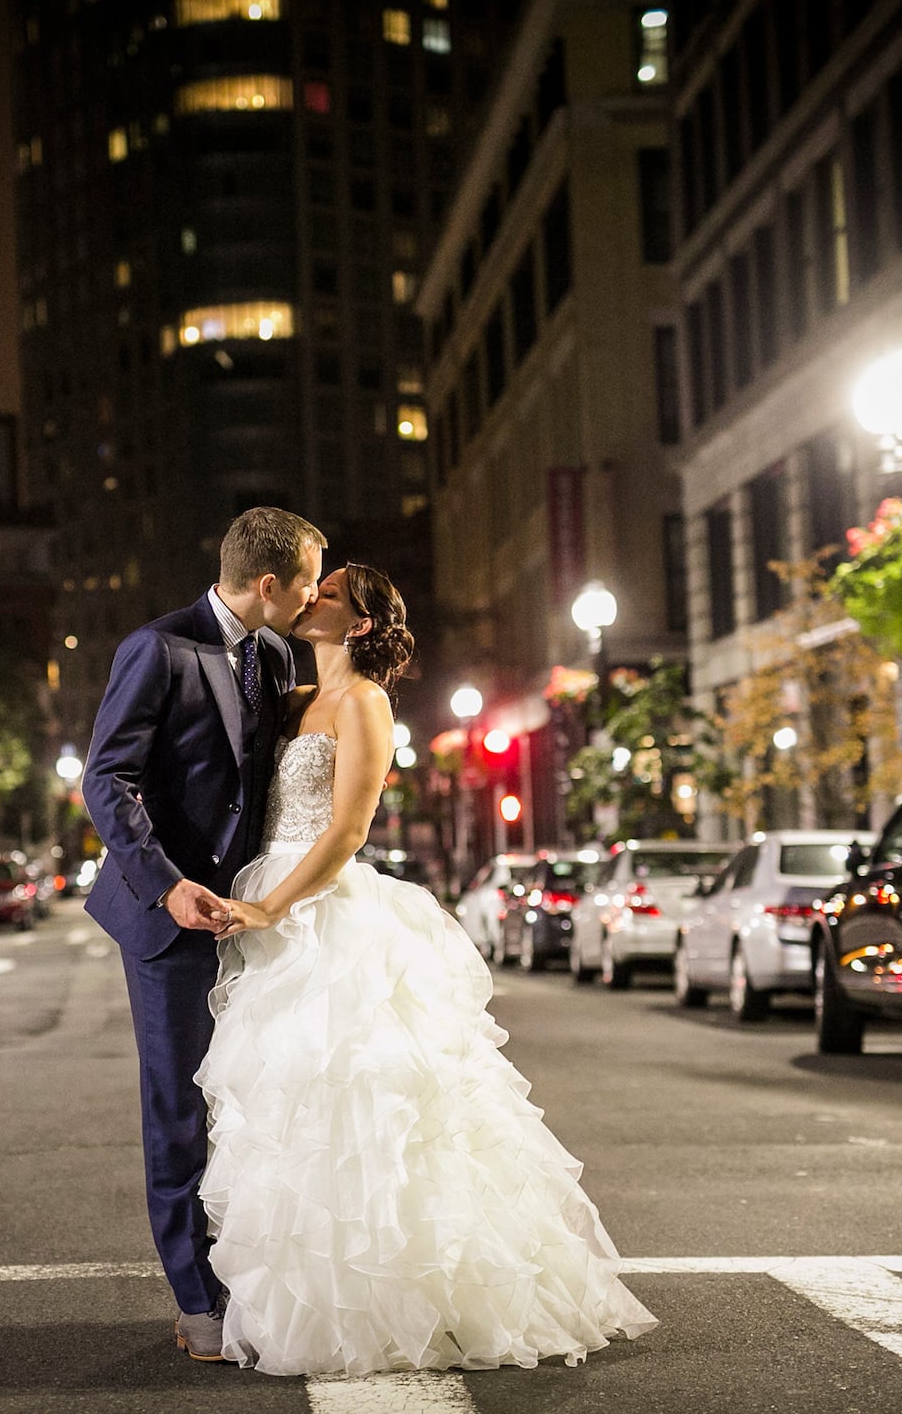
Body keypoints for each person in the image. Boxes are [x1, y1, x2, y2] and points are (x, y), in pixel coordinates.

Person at [199, 563, 656, 1375]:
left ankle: (410, 1295)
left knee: (374, 1106)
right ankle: (321, 1297)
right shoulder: (294, 698)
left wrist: (275, 907)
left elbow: (346, 831)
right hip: (264, 902)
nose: (313, 598)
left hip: (321, 910)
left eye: (331, 594)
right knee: (296, 1112)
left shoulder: (365, 704)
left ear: (362, 626)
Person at [82, 507, 326, 1362]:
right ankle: (199, 1304)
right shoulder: (159, 647)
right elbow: (106, 780)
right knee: (180, 1109)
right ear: (269, 583)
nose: (311, 598)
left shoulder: (276, 655)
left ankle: (257, 1280)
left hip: (250, 918)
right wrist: (168, 885)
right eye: (306, 582)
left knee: (252, 1105)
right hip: (169, 919)